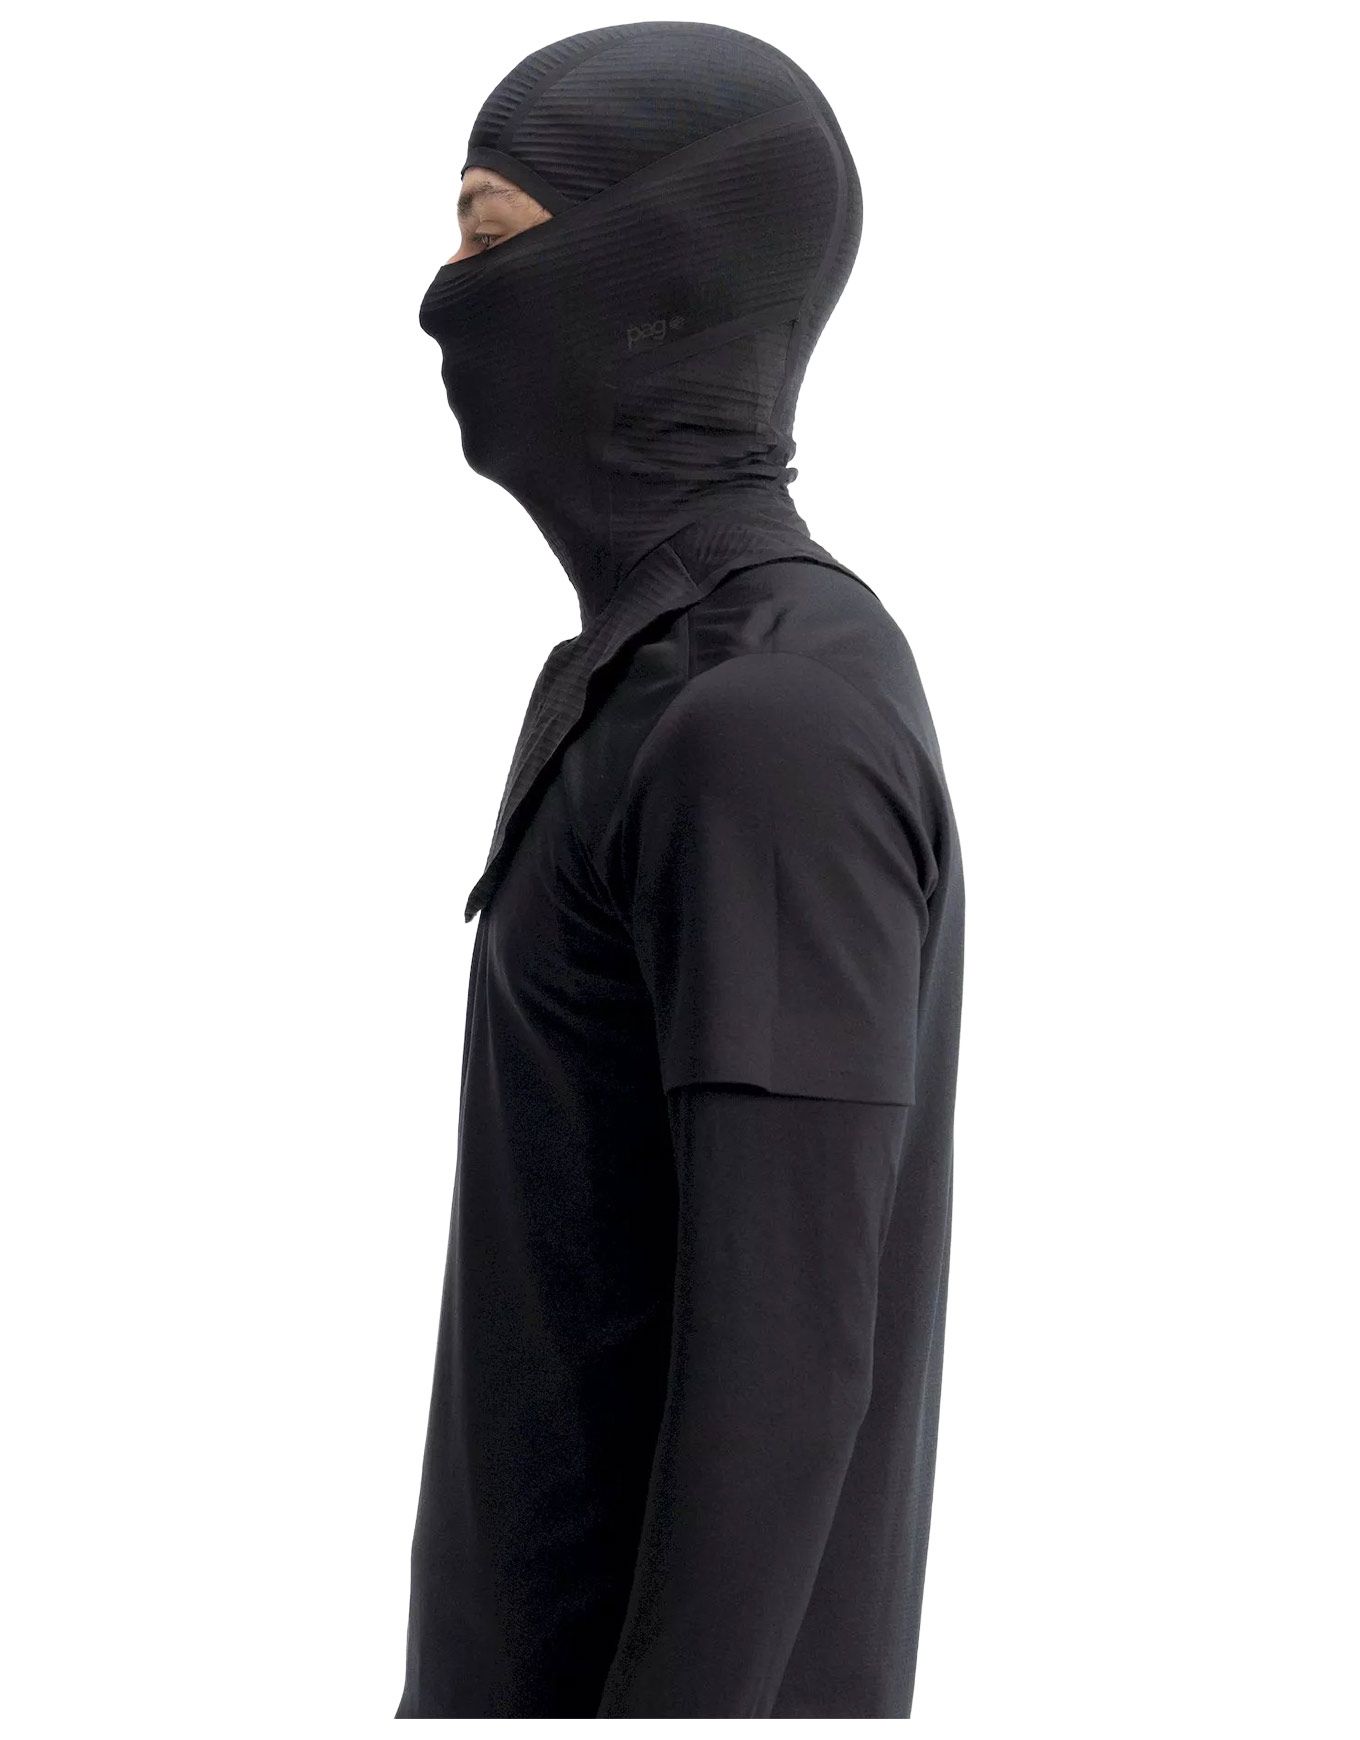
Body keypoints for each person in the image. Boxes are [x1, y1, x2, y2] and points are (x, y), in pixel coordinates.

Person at [395, 20, 964, 1719]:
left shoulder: (766, 723)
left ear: (661, 279)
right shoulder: (640, 691)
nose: (438, 305)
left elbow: (787, 1380)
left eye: (489, 236)